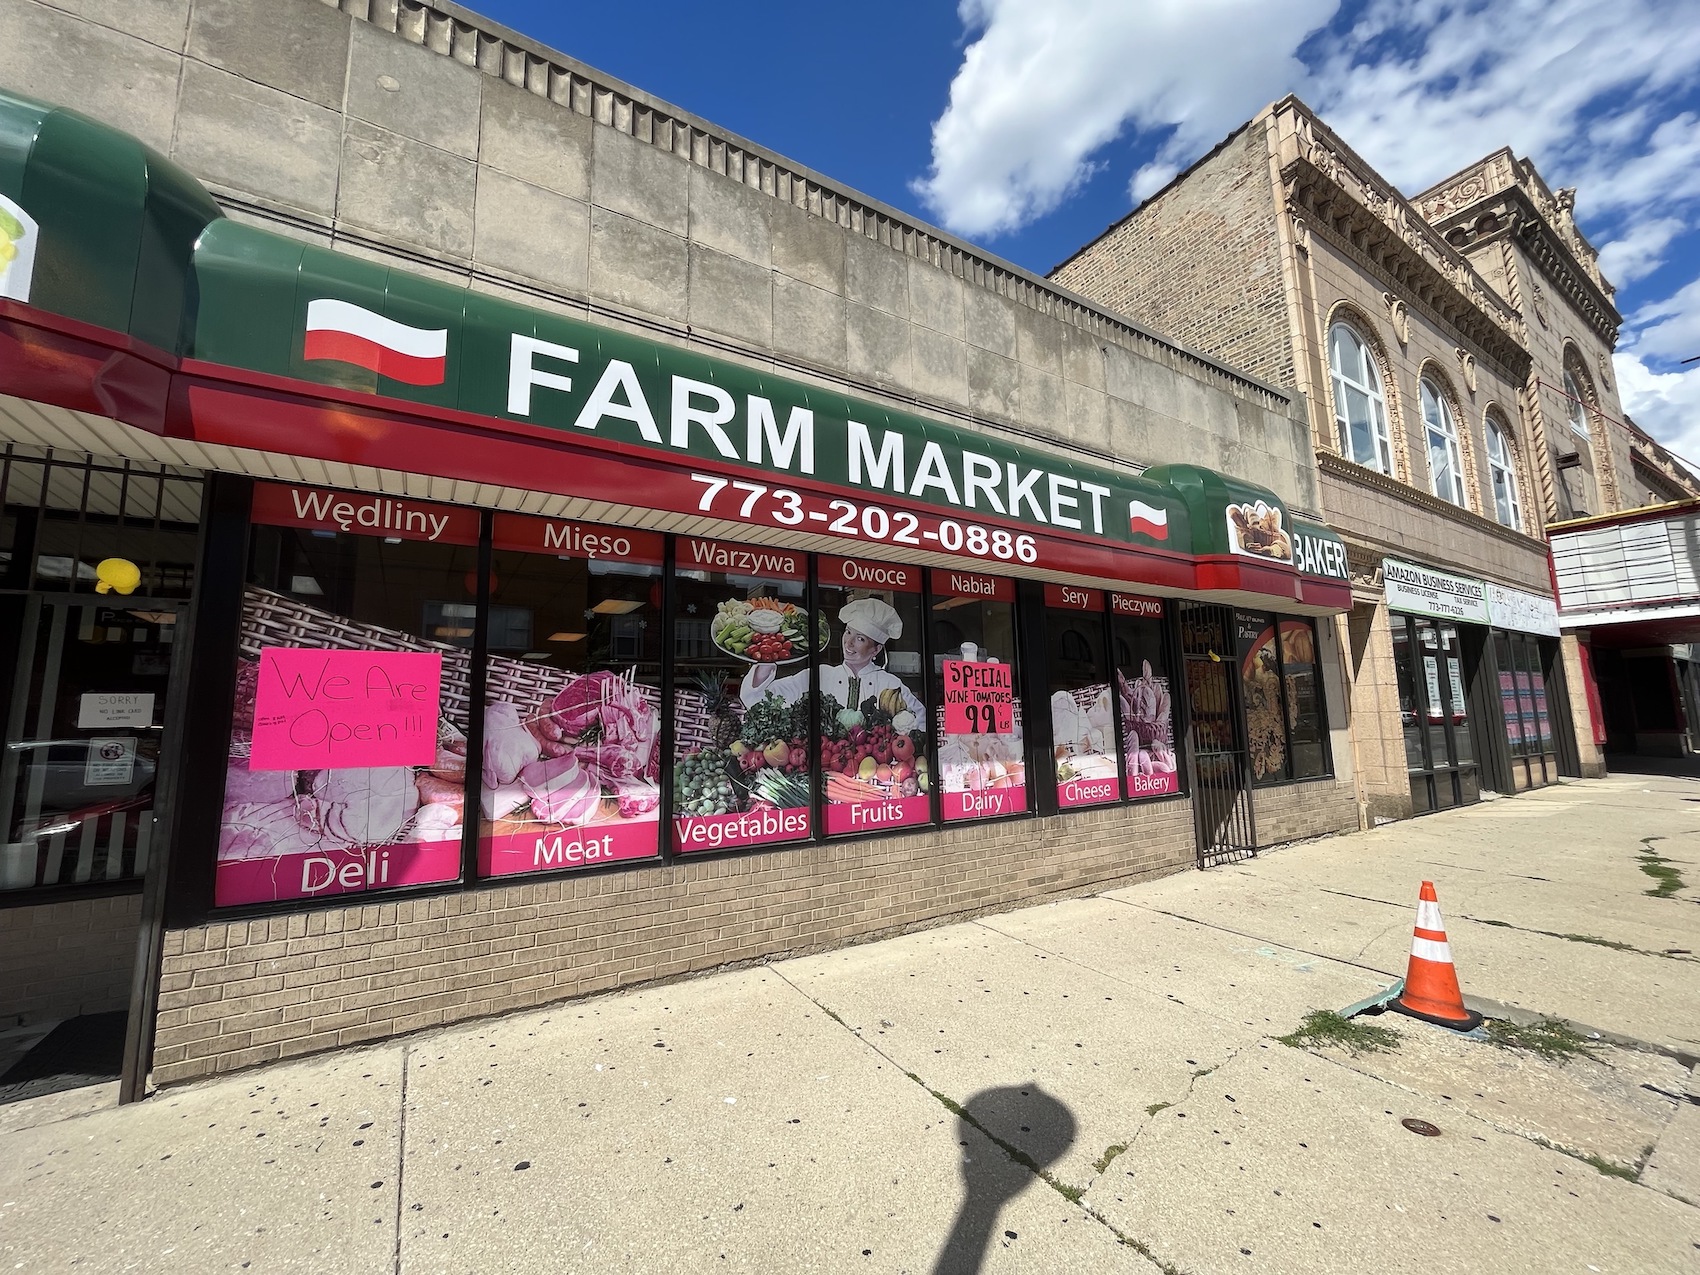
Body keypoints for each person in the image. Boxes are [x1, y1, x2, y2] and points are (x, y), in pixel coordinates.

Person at [740, 597, 924, 718]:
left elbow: (921, 723)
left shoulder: (890, 684)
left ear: (876, 650)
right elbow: (756, 700)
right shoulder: (821, 675)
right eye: (848, 633)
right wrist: (766, 660)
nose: (849, 643)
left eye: (860, 639)